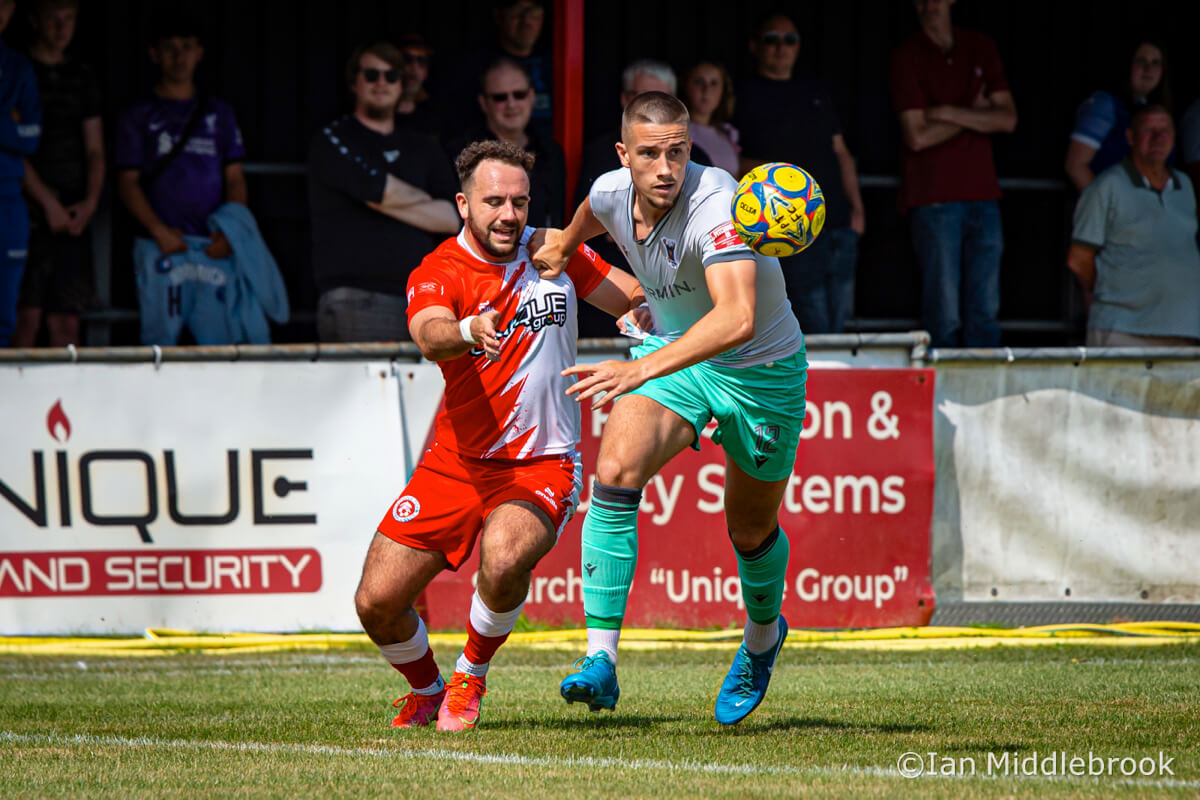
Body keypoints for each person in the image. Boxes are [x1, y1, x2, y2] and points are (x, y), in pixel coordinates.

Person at [531, 92, 806, 726]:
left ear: (691, 150)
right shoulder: (608, 190)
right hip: (675, 354)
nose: (664, 168)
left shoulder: (719, 206)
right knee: (613, 477)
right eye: (650, 154)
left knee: (748, 530)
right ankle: (599, 661)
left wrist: (639, 367)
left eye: (677, 153)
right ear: (624, 155)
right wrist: (565, 245)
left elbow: (736, 320)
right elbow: (591, 214)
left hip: (759, 375)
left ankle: (762, 642)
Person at [354, 139, 644, 732]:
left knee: (506, 555)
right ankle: (427, 689)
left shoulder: (552, 251)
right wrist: (466, 327)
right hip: (454, 462)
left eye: (519, 201)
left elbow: (635, 294)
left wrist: (644, 317)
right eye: (493, 202)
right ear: (463, 204)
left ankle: (470, 677)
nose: (509, 214)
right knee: (376, 601)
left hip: (541, 463)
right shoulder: (439, 271)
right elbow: (430, 334)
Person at [308, 42, 460, 343]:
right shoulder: (333, 139)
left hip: (425, 299)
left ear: (402, 85)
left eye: (391, 76)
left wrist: (386, 200)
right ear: (354, 82)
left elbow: (452, 217)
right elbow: (381, 192)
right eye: (371, 75)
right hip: (356, 297)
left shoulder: (423, 146)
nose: (381, 83)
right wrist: (417, 204)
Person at [889, 0, 1017, 348]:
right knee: (944, 313)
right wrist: (974, 113)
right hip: (933, 198)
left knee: (985, 309)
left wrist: (945, 112)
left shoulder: (979, 46)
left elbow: (1007, 118)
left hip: (984, 194)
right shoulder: (908, 55)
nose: (930, 4)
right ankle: (942, 395)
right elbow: (917, 137)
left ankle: (985, 395)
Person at [735, 13, 865, 334]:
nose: (782, 48)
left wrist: (857, 209)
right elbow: (732, 161)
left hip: (837, 223)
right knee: (811, 318)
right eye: (772, 39)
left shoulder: (816, 91)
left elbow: (841, 152)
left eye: (790, 40)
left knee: (841, 318)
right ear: (755, 46)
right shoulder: (741, 96)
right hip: (789, 228)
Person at [115, 13, 246, 269]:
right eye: (169, 48)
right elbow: (127, 181)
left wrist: (231, 231)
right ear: (154, 54)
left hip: (212, 243)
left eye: (186, 47)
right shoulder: (138, 113)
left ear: (199, 52)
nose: (179, 57)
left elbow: (235, 178)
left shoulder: (219, 112)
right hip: (160, 244)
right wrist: (158, 230)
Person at [1067, 104, 1200, 347]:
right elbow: (1079, 259)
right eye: (1149, 130)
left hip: (1184, 331)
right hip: (1122, 331)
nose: (1158, 138)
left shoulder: (1186, 186)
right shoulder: (1107, 186)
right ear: (1130, 137)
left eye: (1165, 130)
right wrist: (1120, 290)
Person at [14, 0, 102, 348]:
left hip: (72, 213)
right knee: (25, 318)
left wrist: (90, 203)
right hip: (25, 209)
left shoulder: (82, 76)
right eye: (54, 19)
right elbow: (9, 147)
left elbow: (95, 149)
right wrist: (45, 202)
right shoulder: (19, 71)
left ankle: (69, 400)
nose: (61, 28)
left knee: (66, 323)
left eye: (69, 19)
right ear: (35, 19)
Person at [445, 57, 564, 228]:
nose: (511, 104)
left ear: (532, 96)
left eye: (519, 95)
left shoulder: (551, 152)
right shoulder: (460, 153)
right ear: (483, 103)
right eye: (500, 97)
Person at [1065, 41, 1171, 192]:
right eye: (1141, 60)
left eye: (1156, 63)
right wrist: (1108, 209)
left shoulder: (1160, 111)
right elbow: (1075, 166)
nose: (1148, 69)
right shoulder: (1104, 104)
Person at [0, 0, 41, 348]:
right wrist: (6, 122)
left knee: (5, 316)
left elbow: (30, 137)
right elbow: (16, 132)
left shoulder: (16, 66)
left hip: (8, 198)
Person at [681, 61, 739, 177]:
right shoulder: (677, 130)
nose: (706, 90)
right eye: (699, 82)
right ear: (686, 85)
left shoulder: (727, 132)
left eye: (714, 83)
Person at [394, 32, 439, 141]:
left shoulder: (435, 114)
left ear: (426, 71)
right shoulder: (380, 106)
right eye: (407, 59)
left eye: (421, 61)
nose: (414, 66)